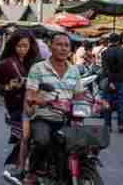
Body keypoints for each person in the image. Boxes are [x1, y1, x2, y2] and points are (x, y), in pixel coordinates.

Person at [24, 33, 89, 185]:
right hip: (43, 116)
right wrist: (36, 99)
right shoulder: (38, 68)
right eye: (59, 44)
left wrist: (97, 102)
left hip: (67, 118)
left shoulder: (74, 70)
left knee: (79, 147)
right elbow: (30, 93)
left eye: (66, 45)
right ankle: (32, 173)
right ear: (50, 46)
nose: (63, 48)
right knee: (42, 141)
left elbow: (79, 94)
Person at [0, 30, 41, 183]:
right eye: (19, 46)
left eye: (26, 46)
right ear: (13, 46)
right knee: (27, 137)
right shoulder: (7, 64)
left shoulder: (36, 63)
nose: (22, 49)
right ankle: (18, 169)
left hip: (37, 105)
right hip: (17, 108)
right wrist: (6, 88)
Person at [101, 33, 123, 133]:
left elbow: (105, 69)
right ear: (119, 41)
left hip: (109, 81)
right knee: (121, 103)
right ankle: (121, 125)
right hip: (122, 80)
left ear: (109, 41)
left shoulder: (105, 52)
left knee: (107, 103)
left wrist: (110, 81)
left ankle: (108, 125)